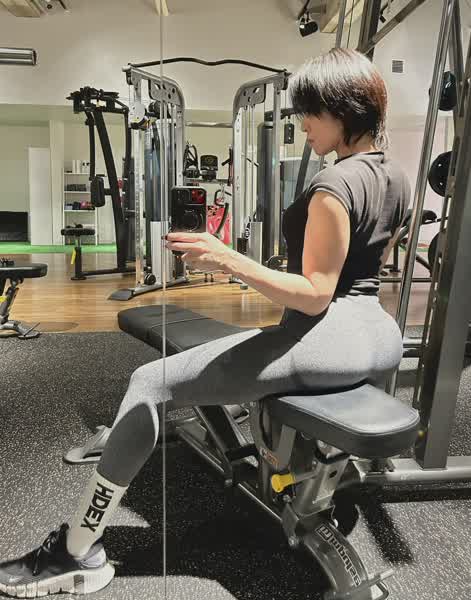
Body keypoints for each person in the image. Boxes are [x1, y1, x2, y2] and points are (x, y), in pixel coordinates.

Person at [0, 48, 409, 598]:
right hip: (379, 335)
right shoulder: (396, 175)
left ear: (343, 109)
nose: (304, 124)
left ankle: (76, 552)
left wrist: (227, 259)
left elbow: (316, 296)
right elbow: (362, 268)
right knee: (243, 355)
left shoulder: (335, 184)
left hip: (329, 336)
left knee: (149, 382)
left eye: (310, 112)